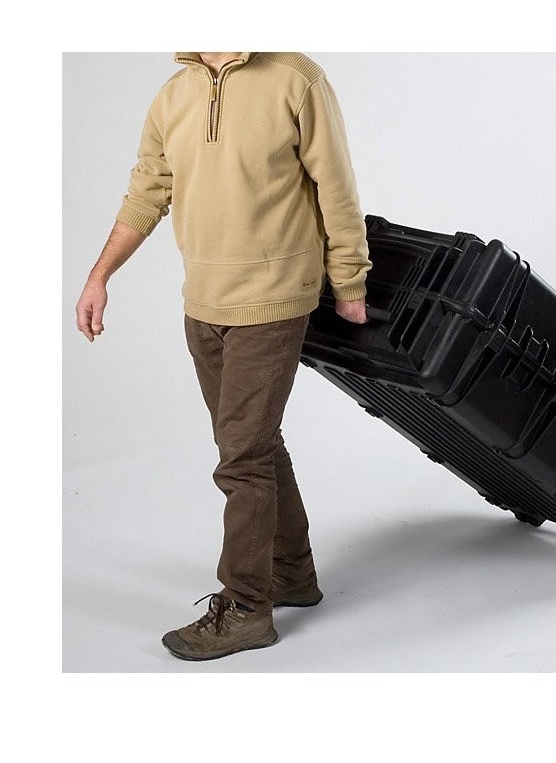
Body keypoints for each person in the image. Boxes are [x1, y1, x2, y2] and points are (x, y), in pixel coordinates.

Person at [75, 52, 373, 661]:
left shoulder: (296, 78)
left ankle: (245, 609)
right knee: (254, 446)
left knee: (242, 459)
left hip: (274, 295)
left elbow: (336, 186)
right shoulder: (174, 94)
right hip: (204, 300)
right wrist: (99, 276)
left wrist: (349, 282)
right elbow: (146, 192)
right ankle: (292, 572)